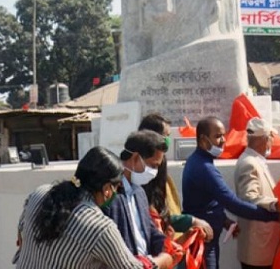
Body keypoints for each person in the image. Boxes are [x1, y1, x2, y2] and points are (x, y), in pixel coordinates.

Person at [14, 146, 173, 269]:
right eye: (116, 187)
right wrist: (163, 259)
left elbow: (20, 237)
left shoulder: (40, 193)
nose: (116, 193)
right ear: (106, 189)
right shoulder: (100, 227)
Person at [182, 116, 279, 269]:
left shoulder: (200, 162)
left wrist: (224, 220)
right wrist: (273, 215)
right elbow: (232, 202)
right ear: (202, 139)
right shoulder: (204, 167)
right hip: (202, 243)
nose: (223, 140)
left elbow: (208, 201)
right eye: (217, 136)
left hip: (207, 239)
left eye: (223, 135)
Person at [139, 114, 213, 240]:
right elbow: (153, 213)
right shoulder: (143, 170)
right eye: (166, 136)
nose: (168, 140)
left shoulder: (161, 163)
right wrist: (189, 221)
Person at [103, 130, 171, 264]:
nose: (154, 172)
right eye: (153, 165)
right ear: (135, 158)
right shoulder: (109, 195)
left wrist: (166, 245)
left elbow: (148, 230)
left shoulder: (139, 193)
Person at [233, 117, 280, 269]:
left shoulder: (254, 160)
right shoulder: (249, 163)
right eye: (271, 138)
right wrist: (275, 205)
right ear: (265, 139)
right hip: (257, 246)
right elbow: (249, 197)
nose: (273, 142)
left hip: (262, 245)